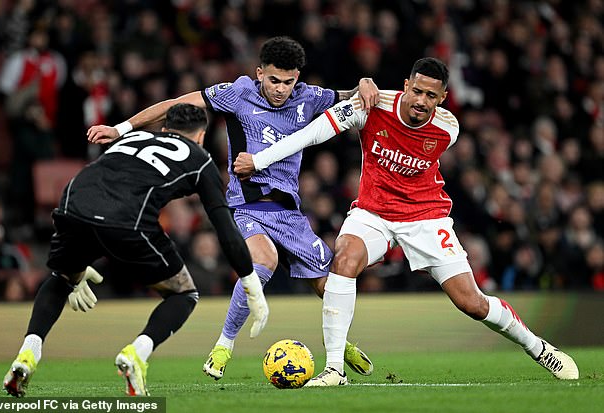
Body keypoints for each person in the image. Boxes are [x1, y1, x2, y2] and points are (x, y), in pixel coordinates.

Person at [234, 57, 579, 385]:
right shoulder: (371, 106)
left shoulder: (448, 129)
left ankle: (539, 348)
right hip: (373, 213)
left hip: (426, 217)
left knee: (471, 303)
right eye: (417, 91)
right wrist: (259, 161)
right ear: (406, 86)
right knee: (345, 259)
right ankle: (334, 368)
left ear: (443, 98)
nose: (421, 101)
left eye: (431, 96)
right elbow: (311, 133)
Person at [87, 36, 379, 381]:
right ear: (259, 74)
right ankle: (223, 345)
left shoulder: (308, 97)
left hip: (290, 213)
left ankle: (341, 346)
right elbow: (176, 104)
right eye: (273, 80)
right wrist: (120, 128)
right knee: (264, 261)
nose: (281, 89)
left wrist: (365, 82)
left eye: (288, 82)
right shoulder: (238, 93)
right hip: (247, 207)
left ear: (297, 79)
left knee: (328, 288)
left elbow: (353, 98)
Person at [3, 103, 268, 397]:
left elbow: (103, 187)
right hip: (126, 219)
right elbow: (225, 229)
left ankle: (27, 355)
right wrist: (250, 283)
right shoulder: (201, 158)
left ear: (165, 129)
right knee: (183, 293)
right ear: (201, 137)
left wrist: (76, 263)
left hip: (72, 203)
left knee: (61, 278)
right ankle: (136, 354)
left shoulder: (131, 138)